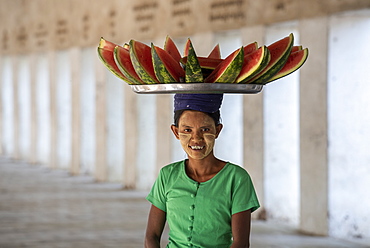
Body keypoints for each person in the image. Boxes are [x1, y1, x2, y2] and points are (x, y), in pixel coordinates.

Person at [145, 93, 260, 248]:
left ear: (217, 130)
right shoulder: (167, 175)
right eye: (187, 130)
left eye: (205, 129)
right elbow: (152, 236)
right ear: (175, 131)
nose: (196, 139)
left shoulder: (237, 178)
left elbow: (241, 243)